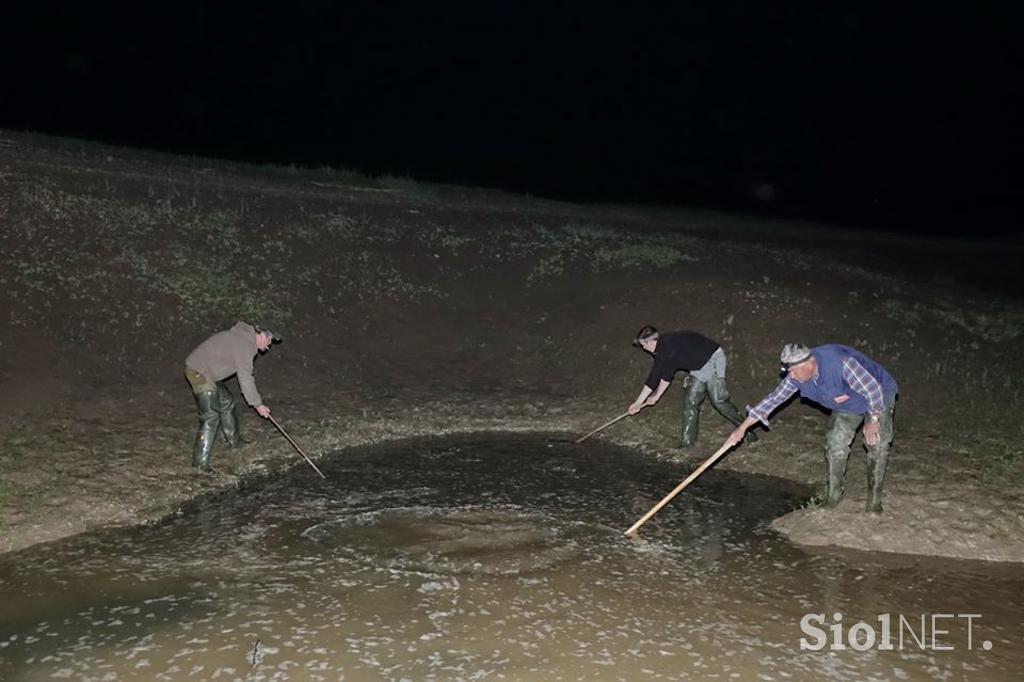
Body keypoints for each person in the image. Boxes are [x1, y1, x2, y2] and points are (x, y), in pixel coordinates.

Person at [724, 343, 898, 513]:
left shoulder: (841, 363)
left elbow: (873, 389)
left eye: (793, 370)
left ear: (810, 364)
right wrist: (742, 428)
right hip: (848, 401)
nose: (790, 376)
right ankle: (833, 496)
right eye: (788, 371)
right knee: (835, 441)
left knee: (876, 442)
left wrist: (873, 419)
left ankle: (874, 502)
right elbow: (773, 400)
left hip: (879, 393)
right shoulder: (795, 378)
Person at [628, 325, 756, 447]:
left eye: (643, 345)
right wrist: (638, 403)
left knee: (719, 401)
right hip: (698, 367)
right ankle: (687, 443)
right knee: (691, 402)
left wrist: (655, 397)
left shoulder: (668, 348)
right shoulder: (661, 350)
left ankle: (748, 431)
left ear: (650, 342)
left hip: (713, 358)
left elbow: (666, 378)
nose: (644, 348)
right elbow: (654, 376)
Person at [184, 322, 281, 473]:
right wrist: (257, 404)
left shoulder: (244, 340)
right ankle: (200, 465)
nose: (269, 346)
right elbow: (245, 378)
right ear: (262, 334)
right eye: (270, 341)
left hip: (209, 373)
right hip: (199, 371)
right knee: (210, 416)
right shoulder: (245, 345)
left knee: (227, 401)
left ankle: (234, 441)